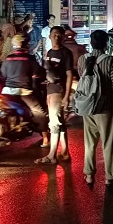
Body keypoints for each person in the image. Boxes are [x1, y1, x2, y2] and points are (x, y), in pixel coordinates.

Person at [78, 30, 113, 186]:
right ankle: (111, 176)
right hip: (106, 107)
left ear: (91, 43)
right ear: (106, 43)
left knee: (89, 142)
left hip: (88, 107)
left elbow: (83, 81)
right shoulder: (110, 60)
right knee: (108, 143)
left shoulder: (82, 59)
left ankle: (89, 174)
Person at [0, 34, 50, 149]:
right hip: (24, 91)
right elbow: (39, 73)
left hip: (7, 91)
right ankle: (46, 138)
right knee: (39, 112)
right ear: (26, 45)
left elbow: (3, 74)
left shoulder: (8, 58)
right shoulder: (29, 59)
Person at [35, 26, 74, 164]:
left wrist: (66, 96)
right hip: (50, 90)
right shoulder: (50, 52)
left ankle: (52, 155)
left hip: (58, 90)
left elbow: (69, 74)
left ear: (63, 37)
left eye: (59, 35)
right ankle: (65, 152)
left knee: (54, 123)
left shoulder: (66, 53)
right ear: (50, 36)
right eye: (54, 35)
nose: (57, 37)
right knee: (60, 122)